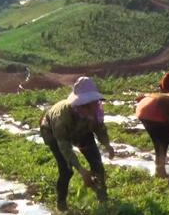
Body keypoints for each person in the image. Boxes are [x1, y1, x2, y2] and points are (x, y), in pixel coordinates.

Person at [40, 77, 115, 211]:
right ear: (82, 105)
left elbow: (99, 128)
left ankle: (102, 198)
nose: (96, 105)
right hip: (53, 133)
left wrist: (107, 144)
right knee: (66, 170)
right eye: (91, 103)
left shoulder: (94, 110)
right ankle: (61, 203)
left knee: (97, 164)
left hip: (81, 131)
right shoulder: (62, 117)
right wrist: (81, 170)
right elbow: (64, 146)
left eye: (95, 102)